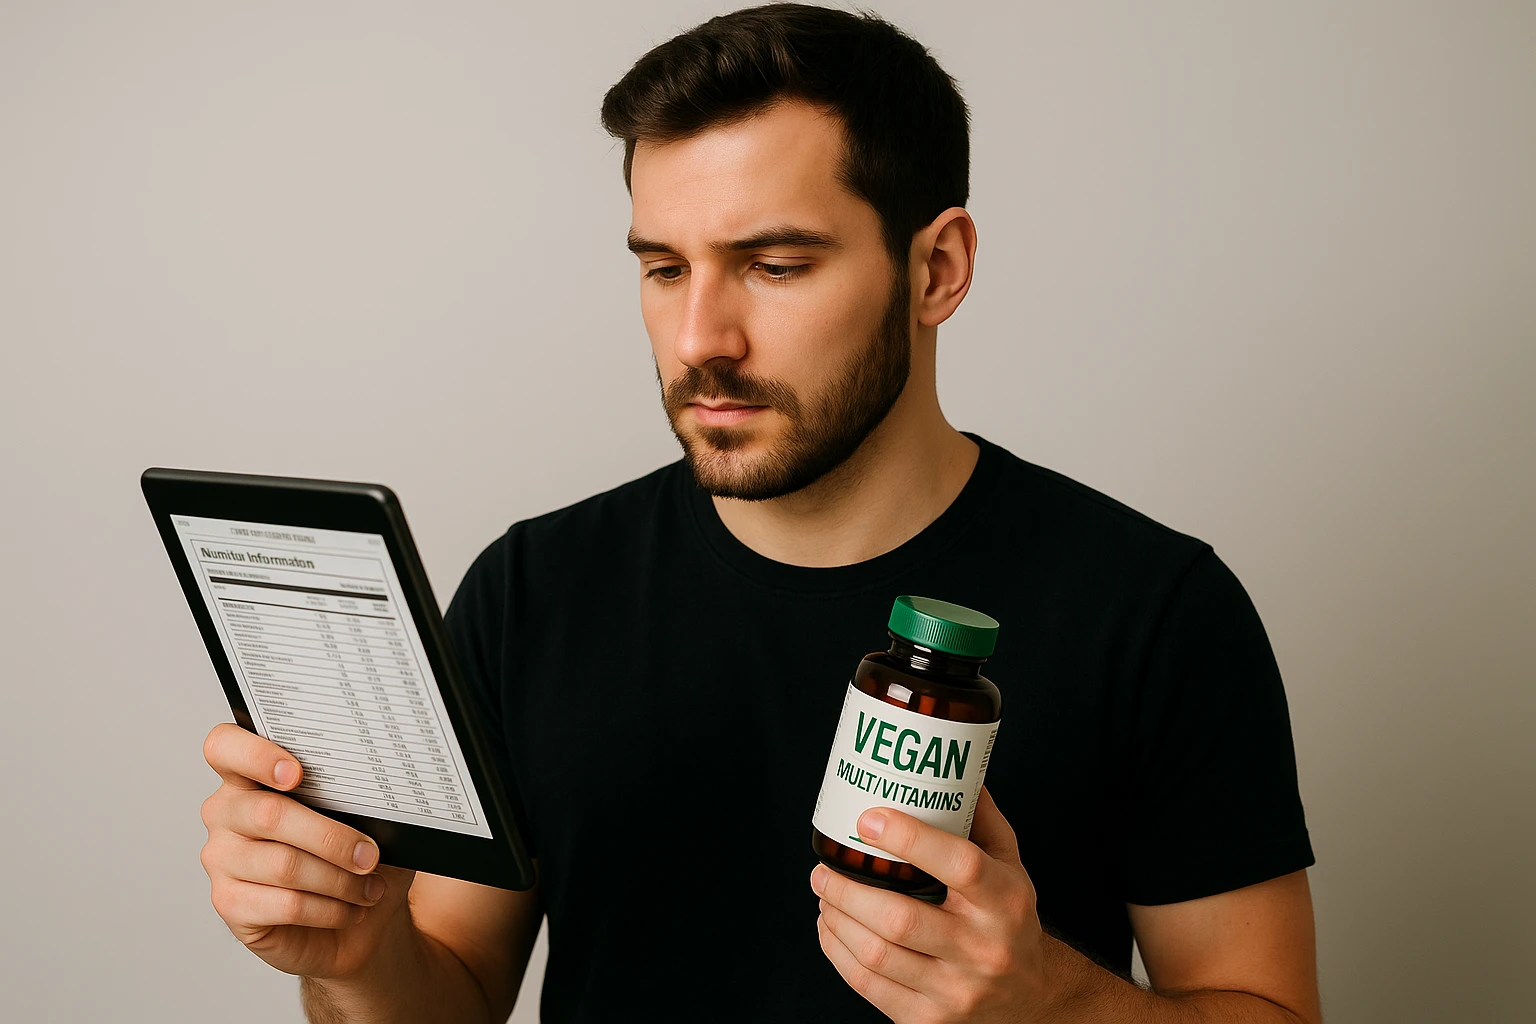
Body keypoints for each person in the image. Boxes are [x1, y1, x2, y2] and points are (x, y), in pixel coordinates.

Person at [196, 5, 1319, 1022]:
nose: (700, 339)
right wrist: (355, 957)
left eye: (774, 266)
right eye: (663, 269)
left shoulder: (1156, 610)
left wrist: (1050, 1005)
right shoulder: (531, 591)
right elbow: (447, 999)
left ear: (937, 269)